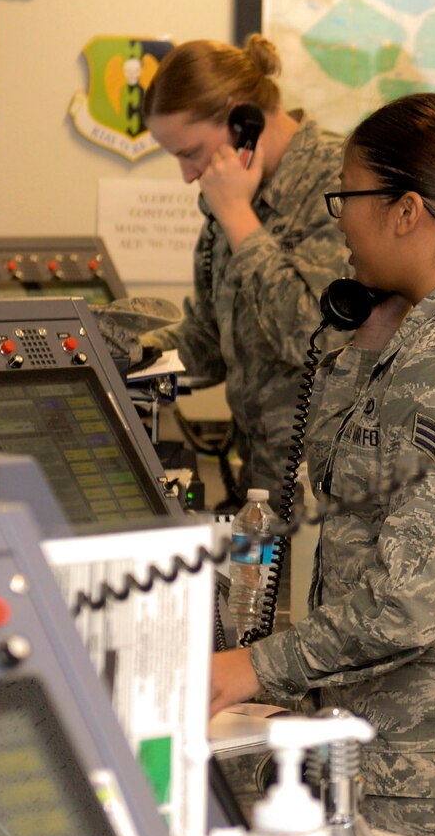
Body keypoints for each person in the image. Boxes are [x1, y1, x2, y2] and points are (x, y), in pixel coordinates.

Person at [206, 92, 435, 836]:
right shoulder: (429, 333)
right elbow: (348, 481)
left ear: (406, 211)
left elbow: (411, 601)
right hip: (414, 746)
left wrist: (256, 667)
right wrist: (367, 337)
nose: (340, 218)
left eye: (349, 197)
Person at [143, 35, 351, 499]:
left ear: (243, 120)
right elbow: (209, 341)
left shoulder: (342, 182)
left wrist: (238, 218)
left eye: (190, 152)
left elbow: (315, 339)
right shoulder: (230, 197)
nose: (188, 174)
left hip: (332, 497)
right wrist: (115, 354)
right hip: (261, 488)